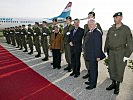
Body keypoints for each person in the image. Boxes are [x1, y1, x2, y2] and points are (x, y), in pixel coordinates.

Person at [104, 12, 133, 95]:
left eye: (117, 17)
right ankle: (113, 83)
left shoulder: (126, 29)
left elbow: (130, 43)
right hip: (112, 52)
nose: (116, 19)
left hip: (121, 52)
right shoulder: (111, 29)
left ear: (121, 18)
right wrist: (106, 50)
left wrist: (127, 55)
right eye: (115, 17)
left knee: (119, 69)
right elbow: (107, 40)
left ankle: (117, 85)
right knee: (111, 68)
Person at [83, 19, 105, 90]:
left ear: (95, 25)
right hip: (90, 54)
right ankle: (91, 81)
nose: (90, 26)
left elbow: (98, 45)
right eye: (89, 25)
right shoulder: (91, 32)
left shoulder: (97, 32)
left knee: (93, 70)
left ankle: (93, 84)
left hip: (94, 55)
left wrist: (98, 56)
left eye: (91, 24)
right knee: (91, 69)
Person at [83, 11, 103, 79]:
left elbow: (99, 35)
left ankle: (92, 76)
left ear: (94, 17)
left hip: (93, 48)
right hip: (86, 47)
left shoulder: (96, 24)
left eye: (90, 16)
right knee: (87, 62)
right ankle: (89, 73)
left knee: (93, 65)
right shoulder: (86, 25)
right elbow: (85, 35)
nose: (89, 17)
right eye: (88, 16)